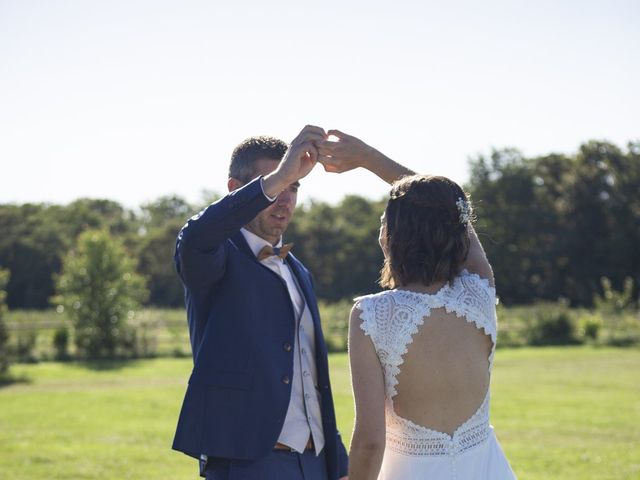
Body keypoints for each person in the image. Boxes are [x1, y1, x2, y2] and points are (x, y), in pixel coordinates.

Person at [323, 135, 517, 479]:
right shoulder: (480, 292)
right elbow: (450, 209)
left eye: (386, 220)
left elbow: (370, 441)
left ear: (394, 236)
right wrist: (369, 158)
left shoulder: (371, 316)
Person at [172, 125, 350, 480]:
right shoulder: (212, 255)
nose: (284, 198)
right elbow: (195, 237)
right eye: (276, 184)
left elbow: (310, 377)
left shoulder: (299, 272)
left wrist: (337, 461)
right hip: (247, 463)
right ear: (236, 191)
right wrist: (282, 174)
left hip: (316, 463)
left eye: (294, 186)